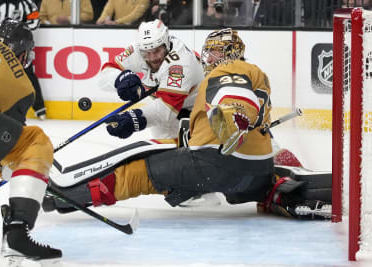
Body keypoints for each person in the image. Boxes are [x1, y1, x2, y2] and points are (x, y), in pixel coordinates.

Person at [44, 28, 332, 220]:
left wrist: (231, 117)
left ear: (229, 52)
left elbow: (229, 96)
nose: (206, 58)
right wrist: (124, 82)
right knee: (265, 157)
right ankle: (285, 188)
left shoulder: (229, 67)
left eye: (213, 52)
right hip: (251, 171)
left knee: (138, 166)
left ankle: (63, 192)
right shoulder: (254, 74)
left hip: (216, 153)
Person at [0, 19, 61, 263]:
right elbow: (10, 155)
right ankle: (17, 233)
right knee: (35, 143)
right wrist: (35, 177)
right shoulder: (23, 84)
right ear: (23, 53)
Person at [98, 19, 204, 139]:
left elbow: (166, 109)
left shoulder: (181, 64)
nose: (153, 58)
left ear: (166, 44)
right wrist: (120, 79)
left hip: (198, 109)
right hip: (169, 106)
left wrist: (132, 120)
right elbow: (104, 75)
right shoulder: (137, 50)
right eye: (147, 53)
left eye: (157, 51)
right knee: (162, 150)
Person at [0, 0, 48, 120]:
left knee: (27, 73)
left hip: (18, 45)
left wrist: (19, 29)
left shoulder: (26, 3)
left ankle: (39, 107)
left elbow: (35, 21)